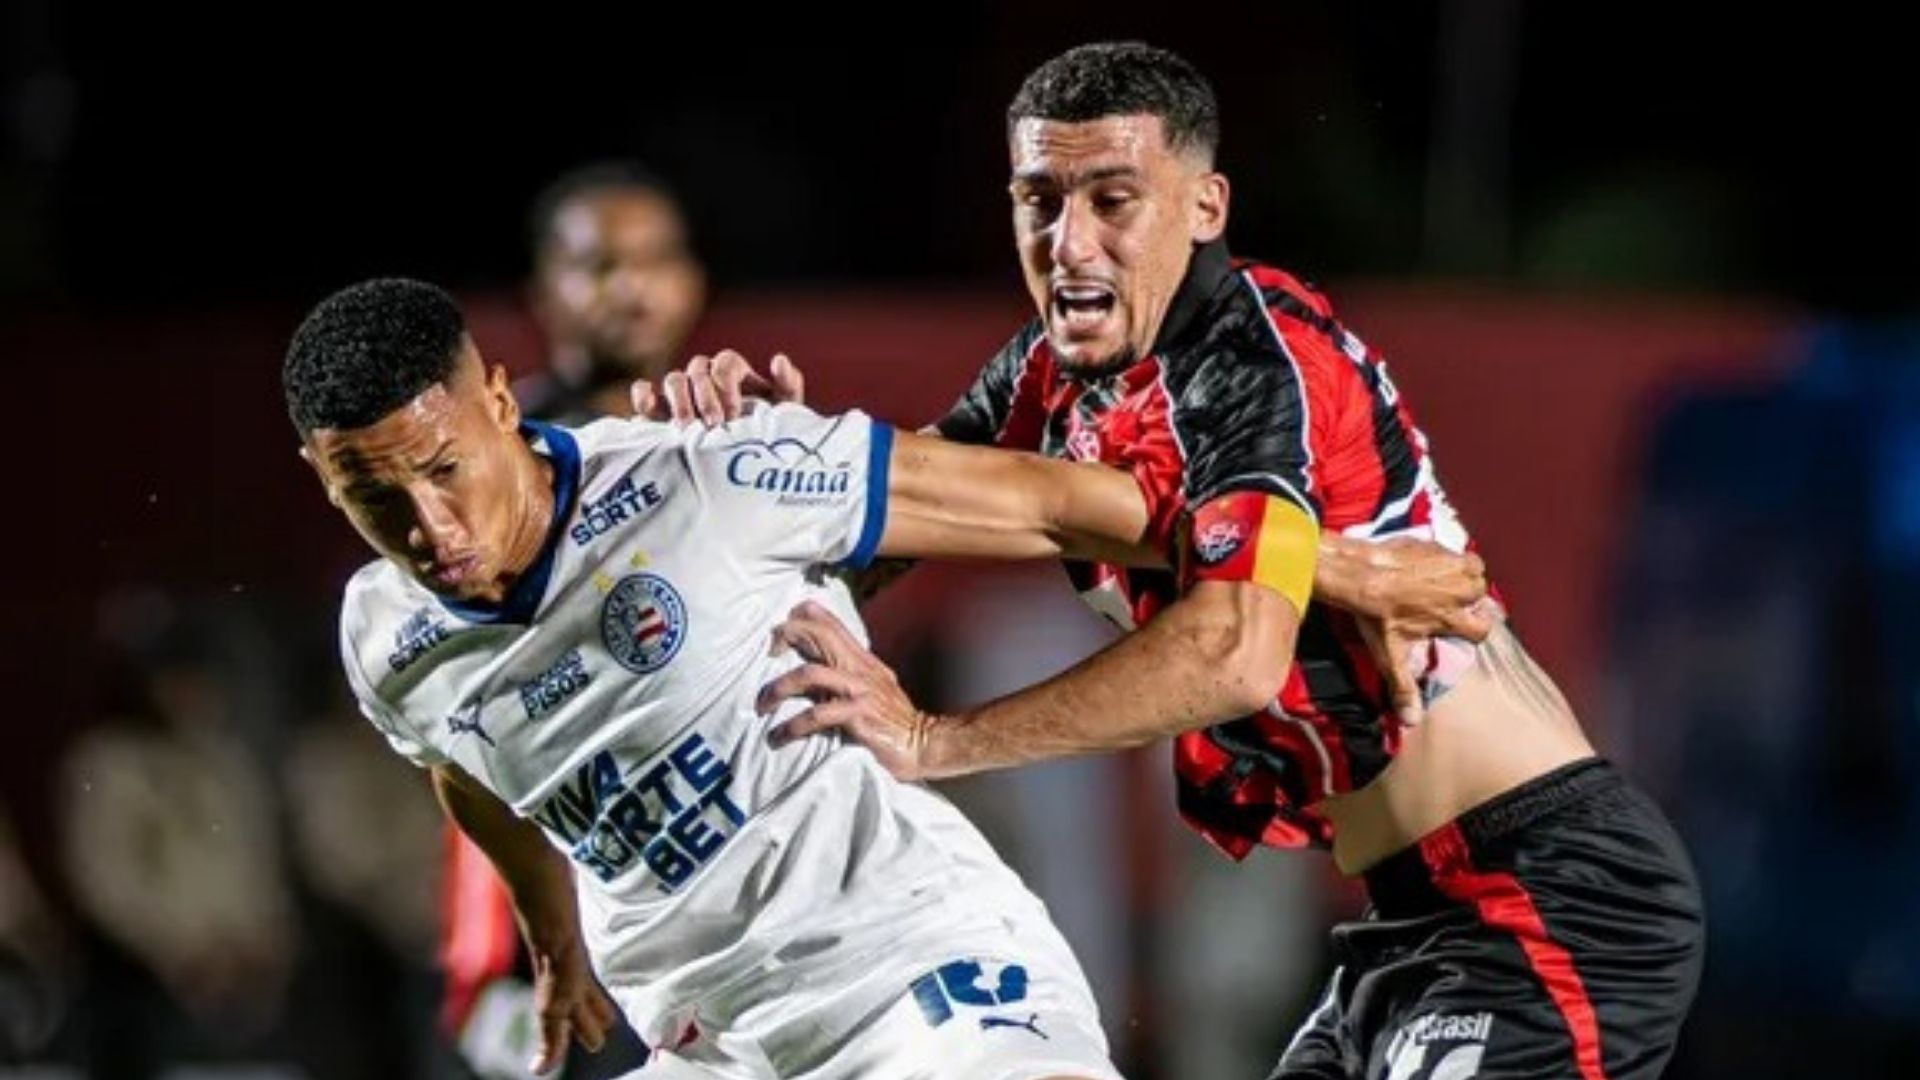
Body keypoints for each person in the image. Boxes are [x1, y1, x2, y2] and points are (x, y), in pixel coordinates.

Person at [727, 42, 1704, 1080]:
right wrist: (751, 466)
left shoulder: (1251, 358)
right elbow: (891, 526)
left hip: (1547, 891)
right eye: (1040, 199)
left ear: (1205, 208)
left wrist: (933, 739)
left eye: (1114, 199)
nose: (1070, 243)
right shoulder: (1045, 378)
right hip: (1406, 923)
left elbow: (1232, 650)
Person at [284, 276, 1186, 1079]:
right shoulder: (383, 635)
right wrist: (551, 934)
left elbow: (1051, 506)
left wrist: (1293, 559)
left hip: (912, 973)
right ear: (322, 478)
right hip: (708, 1045)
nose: (430, 529)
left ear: (498, 401)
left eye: (445, 469)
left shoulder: (700, 471)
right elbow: (462, 764)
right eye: (376, 499)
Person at [444, 160, 711, 1079]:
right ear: (543, 294)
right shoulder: (501, 478)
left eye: (655, 258)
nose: (631, 287)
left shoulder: (708, 450)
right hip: (553, 917)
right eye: (599, 265)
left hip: (704, 904)